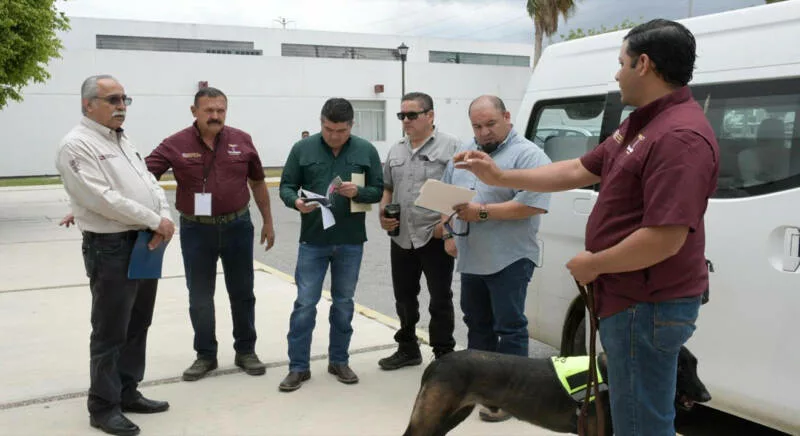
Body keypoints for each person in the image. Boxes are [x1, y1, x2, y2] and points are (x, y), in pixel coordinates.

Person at [454, 20, 719, 436]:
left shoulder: (679, 136)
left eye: (621, 63)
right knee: (630, 413)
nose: (617, 74)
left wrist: (595, 264)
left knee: (641, 422)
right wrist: (500, 177)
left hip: (646, 305)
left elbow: (665, 238)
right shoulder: (641, 124)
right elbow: (577, 169)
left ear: (643, 64)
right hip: (629, 300)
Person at [56, 74, 175, 436]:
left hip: (143, 243)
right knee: (110, 330)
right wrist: (155, 220)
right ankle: (103, 406)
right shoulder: (76, 146)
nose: (121, 106)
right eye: (113, 100)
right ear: (88, 104)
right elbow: (102, 199)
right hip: (110, 248)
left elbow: (150, 182)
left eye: (124, 99)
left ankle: (127, 390)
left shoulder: (122, 140)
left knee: (138, 323)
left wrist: (164, 218)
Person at [146, 87, 275, 381]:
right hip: (196, 231)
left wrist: (268, 221)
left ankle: (246, 351)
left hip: (237, 227)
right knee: (200, 296)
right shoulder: (174, 143)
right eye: (209, 110)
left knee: (243, 293)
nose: (215, 115)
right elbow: (143, 178)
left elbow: (257, 182)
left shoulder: (242, 140)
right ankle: (205, 355)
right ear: (194, 111)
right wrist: (151, 217)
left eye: (220, 110)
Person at [441, 95, 551, 422]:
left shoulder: (529, 155)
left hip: (510, 258)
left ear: (507, 116)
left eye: (490, 124)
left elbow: (532, 204)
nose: (484, 132)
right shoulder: (464, 154)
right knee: (477, 324)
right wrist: (447, 232)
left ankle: (515, 399)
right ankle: (482, 389)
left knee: (510, 327)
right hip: (472, 256)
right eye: (477, 126)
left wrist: (482, 212)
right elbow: (446, 197)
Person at [278, 98, 383, 392]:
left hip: (350, 241)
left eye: (341, 131)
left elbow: (378, 190)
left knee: (344, 304)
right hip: (313, 240)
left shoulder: (365, 150)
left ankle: (339, 361)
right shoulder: (302, 149)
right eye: (328, 129)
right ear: (321, 122)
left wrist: (358, 192)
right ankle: (298, 367)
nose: (334, 136)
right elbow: (286, 186)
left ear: (351, 126)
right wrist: (296, 202)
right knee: (304, 304)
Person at [377, 92, 460, 369]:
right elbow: (388, 188)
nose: (406, 121)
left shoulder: (451, 147)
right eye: (402, 115)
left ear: (430, 115)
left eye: (412, 115)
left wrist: (446, 227)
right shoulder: (396, 149)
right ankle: (408, 348)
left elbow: (461, 190)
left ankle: (443, 354)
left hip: (433, 235)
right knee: (404, 297)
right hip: (402, 236)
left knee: (440, 298)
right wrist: (383, 212)